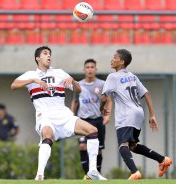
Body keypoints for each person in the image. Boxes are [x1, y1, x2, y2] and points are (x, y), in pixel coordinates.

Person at [11, 46, 106, 180]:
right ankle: (39, 175)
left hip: (64, 115)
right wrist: (34, 80)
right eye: (45, 53)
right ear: (38, 58)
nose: (49, 56)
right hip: (45, 116)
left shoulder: (59, 72)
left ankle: (92, 171)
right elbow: (13, 85)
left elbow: (78, 90)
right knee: (47, 136)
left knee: (92, 130)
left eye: (50, 54)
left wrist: (72, 80)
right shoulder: (31, 75)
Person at [100, 49, 172, 180]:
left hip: (126, 115)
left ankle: (135, 172)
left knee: (123, 146)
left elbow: (104, 97)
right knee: (132, 146)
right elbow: (147, 94)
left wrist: (101, 108)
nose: (112, 59)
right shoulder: (133, 76)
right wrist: (152, 115)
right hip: (139, 113)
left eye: (115, 57)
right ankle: (162, 160)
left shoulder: (113, 77)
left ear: (122, 62)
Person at [71, 59, 112, 178]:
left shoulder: (102, 84)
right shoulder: (78, 85)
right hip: (83, 120)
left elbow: (109, 101)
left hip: (97, 120)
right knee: (83, 146)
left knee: (98, 150)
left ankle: (96, 174)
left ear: (96, 69)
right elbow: (74, 102)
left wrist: (108, 116)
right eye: (87, 67)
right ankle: (87, 175)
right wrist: (71, 116)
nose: (90, 69)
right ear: (84, 70)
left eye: (92, 67)